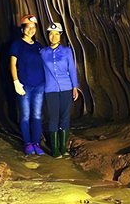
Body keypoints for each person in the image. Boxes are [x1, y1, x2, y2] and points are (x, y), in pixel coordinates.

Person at [40, 22, 79, 157]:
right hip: (50, 89)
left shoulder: (67, 51)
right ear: (48, 36)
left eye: (56, 34)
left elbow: (72, 69)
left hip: (66, 88)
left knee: (65, 117)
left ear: (60, 36)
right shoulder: (43, 53)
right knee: (53, 118)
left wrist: (75, 86)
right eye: (51, 34)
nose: (53, 37)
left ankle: (64, 148)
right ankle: (55, 150)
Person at [9, 14, 46, 155]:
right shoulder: (17, 44)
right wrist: (16, 82)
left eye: (33, 27)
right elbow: (12, 64)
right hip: (24, 84)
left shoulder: (38, 46)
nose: (31, 30)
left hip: (39, 85)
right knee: (25, 115)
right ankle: (28, 143)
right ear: (22, 28)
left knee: (37, 115)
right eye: (28, 27)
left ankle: (36, 143)